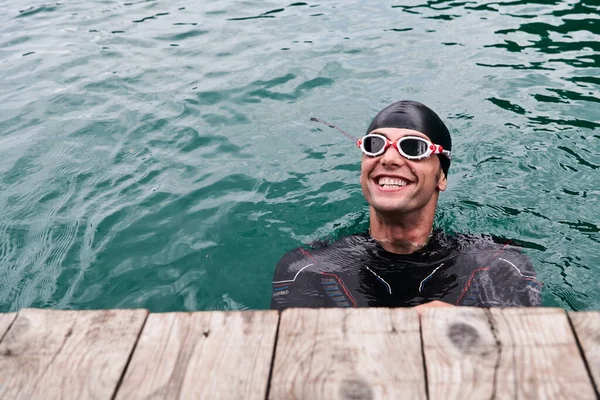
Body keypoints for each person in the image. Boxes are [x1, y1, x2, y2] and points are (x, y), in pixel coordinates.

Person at [270, 100, 541, 311]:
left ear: (442, 177)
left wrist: (469, 328)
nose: (388, 159)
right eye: (374, 146)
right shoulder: (307, 268)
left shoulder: (499, 265)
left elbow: (528, 363)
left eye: (413, 148)